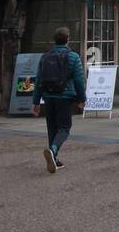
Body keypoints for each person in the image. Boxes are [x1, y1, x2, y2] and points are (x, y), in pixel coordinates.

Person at [32, 27, 86, 173]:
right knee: (64, 128)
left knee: (52, 128)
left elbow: (38, 80)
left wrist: (36, 102)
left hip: (48, 96)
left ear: (54, 40)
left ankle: (54, 159)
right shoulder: (73, 57)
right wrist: (82, 98)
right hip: (64, 95)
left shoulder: (45, 57)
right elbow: (79, 80)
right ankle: (53, 150)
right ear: (68, 40)